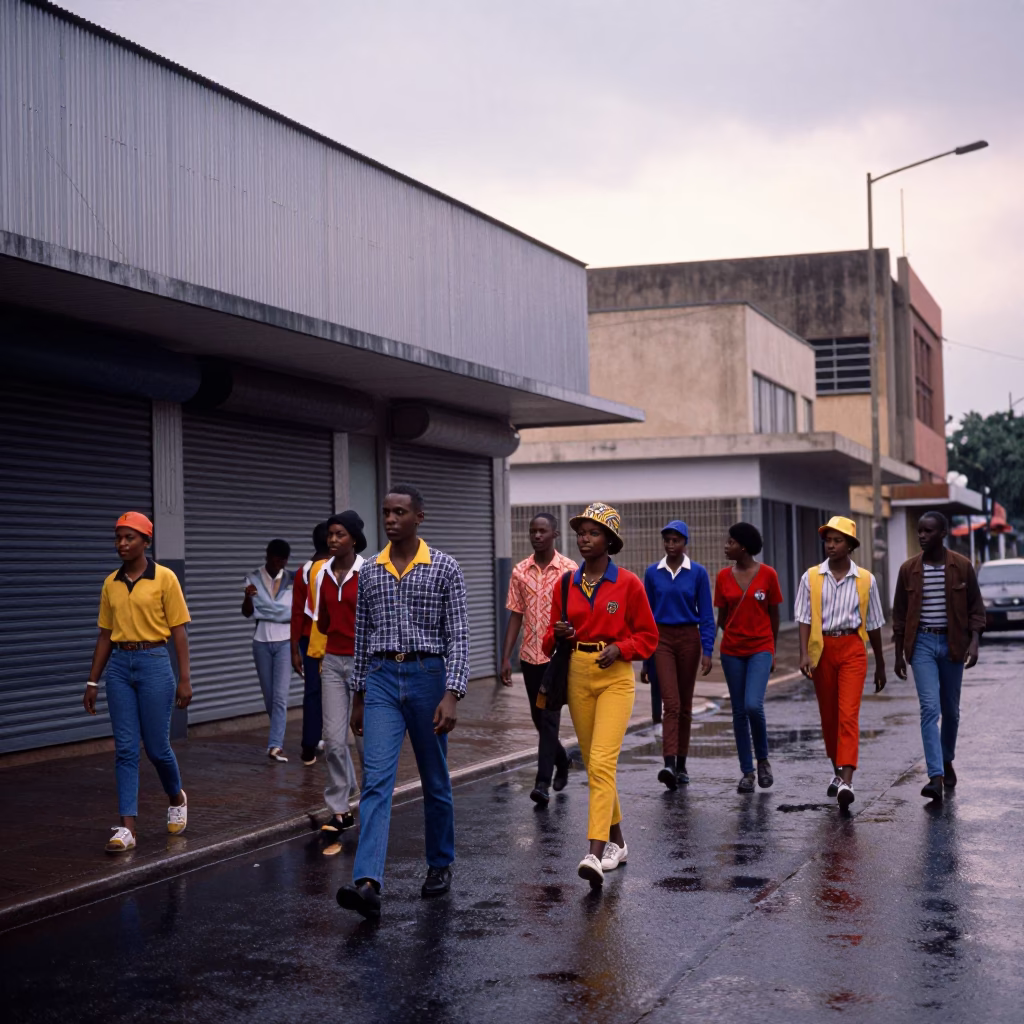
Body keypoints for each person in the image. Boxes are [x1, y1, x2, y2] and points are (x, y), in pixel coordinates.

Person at [335, 484, 469, 920]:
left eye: (399, 512)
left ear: (419, 517)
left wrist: (452, 693)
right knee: (376, 781)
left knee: (435, 778)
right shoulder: (371, 571)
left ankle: (440, 863)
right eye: (386, 512)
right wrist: (358, 695)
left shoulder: (445, 567)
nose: (390, 519)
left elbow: (459, 635)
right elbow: (362, 637)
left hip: (428, 677)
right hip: (381, 680)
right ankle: (367, 882)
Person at [544, 503, 658, 887]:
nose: (585, 539)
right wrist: (558, 634)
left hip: (615, 677)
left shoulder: (628, 583)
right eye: (581, 533)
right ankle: (619, 843)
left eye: (593, 533)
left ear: (609, 540)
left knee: (602, 762)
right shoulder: (566, 583)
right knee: (595, 766)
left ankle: (594, 852)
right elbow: (546, 643)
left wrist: (621, 648)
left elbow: (648, 637)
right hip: (577, 673)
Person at [84, 512, 191, 853]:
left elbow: (179, 631)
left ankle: (176, 796)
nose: (122, 543)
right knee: (126, 749)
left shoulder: (165, 578)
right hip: (119, 667)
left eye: (129, 537)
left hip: (154, 663)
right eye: (118, 537)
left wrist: (185, 679)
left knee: (157, 748)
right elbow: (105, 635)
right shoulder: (110, 583)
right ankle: (127, 828)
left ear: (146, 541)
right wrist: (92, 682)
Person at [892, 511, 985, 803]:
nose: (922, 535)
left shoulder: (962, 566)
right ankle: (935, 777)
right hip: (921, 644)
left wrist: (974, 642)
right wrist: (898, 655)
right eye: (920, 531)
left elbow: (976, 608)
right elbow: (899, 615)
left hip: (953, 643)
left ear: (943, 533)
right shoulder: (908, 569)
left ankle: (946, 759)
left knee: (951, 711)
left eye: (928, 531)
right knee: (930, 709)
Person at [796, 516, 886, 809]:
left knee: (848, 714)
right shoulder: (811, 577)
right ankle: (837, 771)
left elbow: (873, 623)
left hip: (852, 648)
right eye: (828, 540)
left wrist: (880, 663)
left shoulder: (866, 579)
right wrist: (804, 653)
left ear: (850, 545)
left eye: (837, 541)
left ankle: (847, 781)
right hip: (822, 649)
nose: (831, 545)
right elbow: (804, 618)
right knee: (829, 717)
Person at [500, 512, 579, 806]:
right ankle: (562, 759)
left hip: (557, 658)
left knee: (549, 718)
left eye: (542, 531)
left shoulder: (570, 570)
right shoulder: (520, 571)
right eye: (533, 531)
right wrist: (505, 658)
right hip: (529, 657)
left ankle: (542, 783)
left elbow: (579, 613)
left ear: (554, 534)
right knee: (538, 718)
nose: (537, 535)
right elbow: (515, 615)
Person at [643, 520, 715, 790]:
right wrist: (646, 659)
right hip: (661, 639)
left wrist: (707, 650)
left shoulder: (697, 573)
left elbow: (706, 615)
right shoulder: (653, 573)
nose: (671, 545)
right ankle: (669, 764)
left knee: (685, 706)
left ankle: (682, 764)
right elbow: (646, 618)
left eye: (676, 540)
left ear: (685, 543)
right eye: (667, 540)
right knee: (670, 704)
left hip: (689, 640)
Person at [311, 510, 367, 846]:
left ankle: (371, 803)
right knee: (333, 740)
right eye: (330, 534)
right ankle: (340, 810)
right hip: (332, 662)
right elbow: (321, 621)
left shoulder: (369, 572)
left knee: (365, 741)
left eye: (340, 534)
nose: (332, 539)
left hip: (365, 663)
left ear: (354, 539)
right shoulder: (322, 573)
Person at [714, 523, 783, 793]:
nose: (726, 546)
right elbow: (721, 618)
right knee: (739, 712)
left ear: (743, 547)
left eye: (730, 542)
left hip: (761, 649)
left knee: (753, 705)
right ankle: (747, 772)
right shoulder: (723, 576)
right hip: (732, 652)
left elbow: (774, 616)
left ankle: (763, 760)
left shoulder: (768, 574)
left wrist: (772, 650)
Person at [243, 539, 295, 762]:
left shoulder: (292, 579)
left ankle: (275, 745)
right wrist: (248, 597)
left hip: (286, 642)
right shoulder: (253, 578)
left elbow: (296, 611)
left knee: (280, 696)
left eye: (282, 561)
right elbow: (247, 612)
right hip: (261, 641)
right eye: (274, 561)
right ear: (267, 557)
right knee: (269, 697)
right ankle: (277, 735)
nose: (278, 565)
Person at [290, 522, 329, 766]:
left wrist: (294, 648)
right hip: (332, 639)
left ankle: (309, 744)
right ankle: (327, 739)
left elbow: (296, 613)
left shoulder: (303, 571)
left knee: (313, 690)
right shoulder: (338, 568)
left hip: (307, 639)